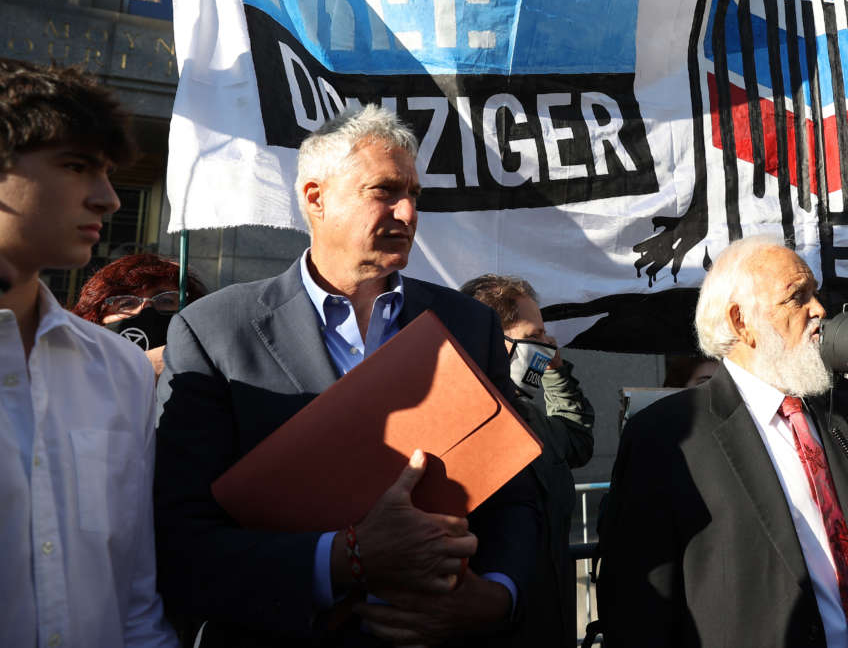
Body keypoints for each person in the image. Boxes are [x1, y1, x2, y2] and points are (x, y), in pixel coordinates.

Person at [154, 105, 539, 647]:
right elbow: (182, 537)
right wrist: (341, 560)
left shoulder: (467, 325)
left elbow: (515, 492)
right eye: (384, 191)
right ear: (315, 197)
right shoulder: (215, 330)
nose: (407, 213)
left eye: (415, 194)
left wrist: (497, 596)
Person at [599, 236, 848, 647]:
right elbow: (637, 609)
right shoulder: (668, 437)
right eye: (796, 297)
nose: (819, 309)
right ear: (741, 322)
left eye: (815, 293)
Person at [0, 61, 177, 646]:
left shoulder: (120, 369)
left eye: (106, 172)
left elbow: (134, 592)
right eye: (77, 166)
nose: (106, 198)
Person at [462, 273, 596, 648]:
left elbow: (576, 440)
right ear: (490, 339)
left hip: (551, 624)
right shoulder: (455, 422)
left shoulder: (532, 417)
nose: (547, 346)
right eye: (533, 337)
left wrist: (555, 373)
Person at [73, 252, 207, 380]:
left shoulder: (211, 383)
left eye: (166, 301)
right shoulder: (69, 373)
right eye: (126, 303)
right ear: (96, 319)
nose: (146, 310)